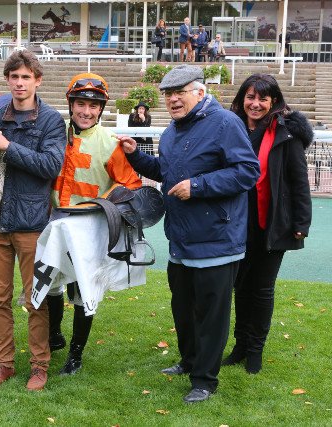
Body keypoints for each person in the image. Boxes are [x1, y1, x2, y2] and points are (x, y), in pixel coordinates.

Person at [120, 64, 260, 403]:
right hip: (181, 240)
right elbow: (166, 172)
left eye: (179, 92)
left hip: (218, 240)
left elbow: (247, 171)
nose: (172, 99)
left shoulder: (226, 123)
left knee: (211, 316)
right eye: (168, 94)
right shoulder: (171, 131)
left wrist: (198, 186)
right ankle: (189, 361)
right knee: (183, 309)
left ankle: (205, 381)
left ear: (200, 92)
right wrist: (136, 155)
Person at [45, 72, 142, 375]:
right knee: (50, 285)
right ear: (70, 104)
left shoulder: (109, 143)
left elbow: (131, 184)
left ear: (101, 109)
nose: (86, 112)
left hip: (88, 228)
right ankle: (53, 335)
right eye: (81, 104)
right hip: (54, 222)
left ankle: (75, 354)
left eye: (93, 106)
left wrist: (103, 203)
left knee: (83, 291)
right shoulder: (54, 135)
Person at [0, 50, 66, 391]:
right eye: (14, 77)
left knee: (36, 299)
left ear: (37, 81)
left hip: (32, 223)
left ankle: (39, 366)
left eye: (26, 77)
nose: (19, 83)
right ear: (7, 80)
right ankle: (4, 364)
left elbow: (50, 166)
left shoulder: (51, 120)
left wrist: (8, 147)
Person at [224, 74, 312, 374]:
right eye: (250, 97)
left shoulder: (286, 132)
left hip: (272, 224)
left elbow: (299, 182)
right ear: (242, 99)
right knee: (240, 287)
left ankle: (255, 350)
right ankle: (240, 346)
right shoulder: (231, 127)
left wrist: (301, 223)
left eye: (263, 98)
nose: (256, 104)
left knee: (261, 289)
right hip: (236, 224)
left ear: (273, 101)